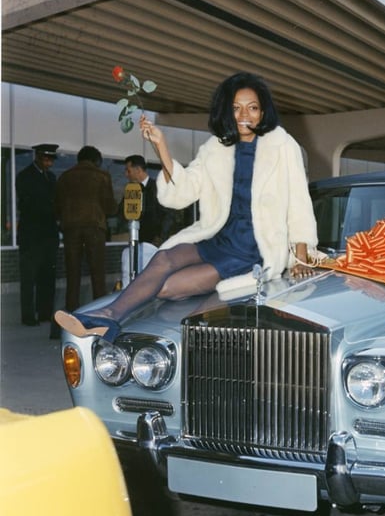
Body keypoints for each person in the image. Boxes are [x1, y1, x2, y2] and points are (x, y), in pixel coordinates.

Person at [55, 72, 318, 341]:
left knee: (166, 288)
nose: (244, 115)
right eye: (236, 108)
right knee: (163, 260)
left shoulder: (282, 145)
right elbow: (184, 191)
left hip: (254, 251)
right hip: (220, 239)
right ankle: (108, 316)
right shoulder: (217, 148)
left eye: (252, 108)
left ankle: (225, 292)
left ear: (263, 113)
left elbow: (298, 201)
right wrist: (161, 146)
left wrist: (299, 258)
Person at [54, 146, 118, 312]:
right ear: (96, 160)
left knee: (72, 274)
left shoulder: (65, 177)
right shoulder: (102, 176)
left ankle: (71, 310)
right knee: (98, 274)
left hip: (70, 229)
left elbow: (57, 206)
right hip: (95, 228)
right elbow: (110, 207)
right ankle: (99, 312)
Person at [16, 143, 60, 326]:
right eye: (45, 158)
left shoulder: (51, 177)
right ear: (37, 157)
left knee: (47, 277)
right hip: (32, 235)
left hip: (48, 235)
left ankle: (44, 312)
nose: (49, 162)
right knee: (29, 278)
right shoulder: (25, 176)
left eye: (51, 159)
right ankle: (28, 316)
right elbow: (28, 205)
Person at [120, 154, 166, 245]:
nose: (126, 175)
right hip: (135, 240)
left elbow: (167, 215)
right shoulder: (130, 189)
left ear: (138, 170)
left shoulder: (158, 187)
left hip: (155, 242)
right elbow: (122, 212)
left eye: (128, 171)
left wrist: (161, 236)